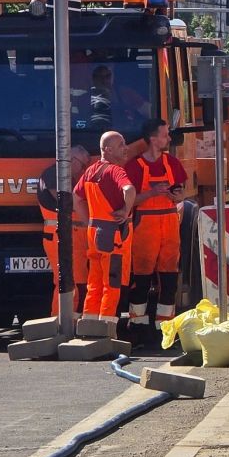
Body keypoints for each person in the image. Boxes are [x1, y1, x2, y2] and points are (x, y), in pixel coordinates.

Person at [124, 118, 187, 345]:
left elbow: (182, 192)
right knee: (140, 282)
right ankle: (138, 328)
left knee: (169, 281)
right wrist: (152, 194)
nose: (169, 138)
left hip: (169, 228)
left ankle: (165, 329)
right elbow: (130, 201)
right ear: (153, 139)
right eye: (165, 134)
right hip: (145, 230)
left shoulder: (172, 163)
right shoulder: (135, 167)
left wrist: (177, 196)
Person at [73, 130, 137, 323]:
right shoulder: (115, 170)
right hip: (112, 236)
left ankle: (90, 325)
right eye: (121, 145)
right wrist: (126, 211)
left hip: (94, 234)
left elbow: (76, 198)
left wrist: (88, 221)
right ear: (107, 149)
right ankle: (106, 328)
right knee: (112, 283)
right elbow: (129, 189)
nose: (126, 148)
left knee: (94, 282)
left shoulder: (90, 171)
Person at [38, 144, 91, 316]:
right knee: (67, 283)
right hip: (60, 236)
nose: (82, 170)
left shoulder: (67, 178)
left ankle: (72, 324)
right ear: (72, 159)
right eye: (82, 165)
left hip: (72, 237)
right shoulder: (53, 174)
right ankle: (59, 324)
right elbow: (64, 201)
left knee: (78, 284)